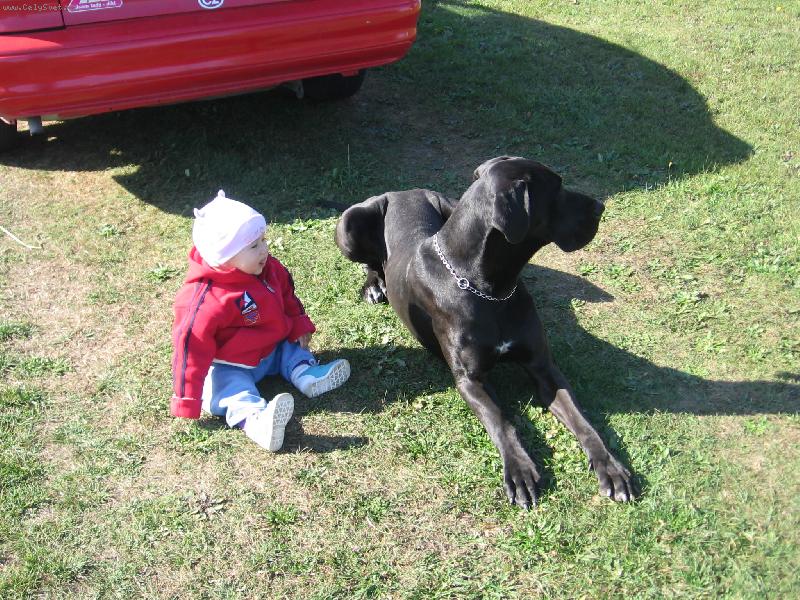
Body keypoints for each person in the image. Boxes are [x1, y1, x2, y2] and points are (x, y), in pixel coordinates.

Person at [170, 190, 350, 451]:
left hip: (272, 347)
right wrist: (186, 399)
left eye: (263, 240)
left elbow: (287, 294)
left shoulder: (267, 268)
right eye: (254, 246)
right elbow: (190, 347)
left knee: (292, 348)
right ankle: (257, 420)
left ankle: (307, 375)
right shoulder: (203, 301)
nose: (264, 249)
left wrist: (299, 323)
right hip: (231, 364)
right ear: (225, 256)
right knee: (229, 388)